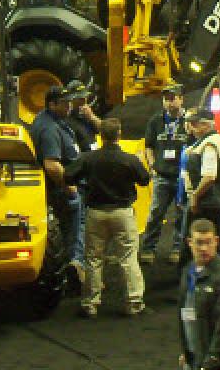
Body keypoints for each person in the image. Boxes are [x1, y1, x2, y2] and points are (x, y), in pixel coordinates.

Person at [65, 118, 151, 318]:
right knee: (128, 258)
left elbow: (68, 176)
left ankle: (90, 304)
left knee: (93, 259)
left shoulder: (89, 158)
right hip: (122, 212)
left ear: (101, 136)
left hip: (96, 212)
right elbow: (145, 180)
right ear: (119, 134)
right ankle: (134, 302)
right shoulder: (129, 159)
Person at [29, 84, 84, 283]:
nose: (70, 106)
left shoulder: (54, 120)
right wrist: (71, 188)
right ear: (52, 104)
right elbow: (52, 165)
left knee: (73, 228)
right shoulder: (49, 128)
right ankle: (74, 266)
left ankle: (74, 265)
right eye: (65, 103)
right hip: (61, 189)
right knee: (74, 229)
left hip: (63, 185)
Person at [178, 218, 220, 370]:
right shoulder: (188, 272)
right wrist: (187, 352)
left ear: (216, 241)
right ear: (189, 242)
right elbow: (184, 314)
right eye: (199, 242)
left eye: (208, 242)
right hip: (195, 357)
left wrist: (210, 362)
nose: (204, 248)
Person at [142, 84, 190, 264]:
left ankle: (177, 248)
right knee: (155, 213)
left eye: (173, 98)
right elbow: (148, 145)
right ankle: (148, 248)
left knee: (181, 214)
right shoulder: (155, 121)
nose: (169, 103)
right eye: (166, 99)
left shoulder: (188, 121)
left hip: (182, 177)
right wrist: (153, 165)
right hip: (162, 176)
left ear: (181, 99)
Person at [184, 108, 220, 242]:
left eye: (194, 124)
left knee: (204, 240)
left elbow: (209, 177)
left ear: (206, 125)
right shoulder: (217, 139)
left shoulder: (209, 145)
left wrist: (195, 196)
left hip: (208, 204)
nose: (191, 128)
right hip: (216, 201)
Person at [63, 80, 100, 151]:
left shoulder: (87, 115)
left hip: (93, 155)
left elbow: (106, 131)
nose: (84, 100)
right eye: (80, 98)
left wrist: (92, 117)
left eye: (85, 97)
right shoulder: (66, 121)